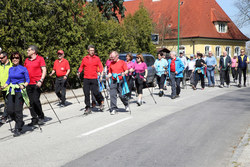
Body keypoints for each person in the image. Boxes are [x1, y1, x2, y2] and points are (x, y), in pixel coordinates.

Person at [0, 52, 30, 137]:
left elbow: (28, 80)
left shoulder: (23, 69)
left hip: (19, 92)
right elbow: (8, 80)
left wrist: (24, 85)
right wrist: (3, 87)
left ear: (19, 59)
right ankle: (19, 122)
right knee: (9, 111)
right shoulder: (11, 69)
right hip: (11, 91)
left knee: (18, 110)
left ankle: (18, 128)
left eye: (16, 58)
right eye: (13, 58)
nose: (15, 59)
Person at [77, 45, 104, 114]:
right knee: (86, 93)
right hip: (86, 78)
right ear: (88, 51)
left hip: (94, 78)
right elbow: (81, 67)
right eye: (91, 50)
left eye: (93, 50)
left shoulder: (97, 58)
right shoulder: (84, 58)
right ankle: (88, 107)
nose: (92, 52)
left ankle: (100, 102)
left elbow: (100, 66)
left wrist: (100, 72)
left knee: (95, 92)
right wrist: (79, 72)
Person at [24, 45, 46, 126]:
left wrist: (41, 80)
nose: (27, 52)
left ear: (34, 51)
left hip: (37, 83)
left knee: (36, 100)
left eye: (28, 50)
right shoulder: (26, 60)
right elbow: (24, 71)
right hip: (28, 83)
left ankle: (41, 116)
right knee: (31, 102)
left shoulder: (40, 59)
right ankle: (34, 118)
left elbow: (44, 70)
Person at [107, 51, 130, 115]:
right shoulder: (111, 63)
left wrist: (124, 73)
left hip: (120, 81)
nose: (112, 59)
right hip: (113, 81)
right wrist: (108, 76)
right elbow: (110, 72)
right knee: (112, 95)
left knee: (121, 95)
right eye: (111, 57)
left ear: (117, 56)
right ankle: (114, 108)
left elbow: (126, 70)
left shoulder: (122, 62)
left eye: (113, 57)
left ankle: (126, 104)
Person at [0, 52, 13, 124]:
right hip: (2, 87)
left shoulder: (11, 65)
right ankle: (11, 114)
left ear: (6, 57)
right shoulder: (0, 65)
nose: (0, 59)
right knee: (7, 102)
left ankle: (4, 116)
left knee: (8, 102)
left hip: (10, 87)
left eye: (2, 58)